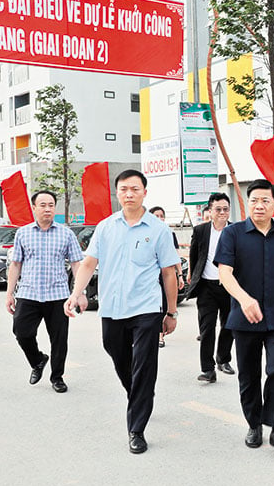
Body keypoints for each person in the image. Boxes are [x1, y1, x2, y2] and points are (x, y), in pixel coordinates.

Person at [64, 170, 180, 455]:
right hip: (113, 307)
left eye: (135, 189)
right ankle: (139, 394)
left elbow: (168, 273)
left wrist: (172, 312)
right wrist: (76, 293)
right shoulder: (105, 227)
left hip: (146, 308)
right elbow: (89, 263)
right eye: (124, 189)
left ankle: (136, 429)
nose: (129, 194)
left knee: (144, 364)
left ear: (144, 192)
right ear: (117, 193)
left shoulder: (159, 230)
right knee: (116, 352)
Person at [216, 179, 274, 457]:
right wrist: (244, 298)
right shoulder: (233, 234)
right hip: (245, 316)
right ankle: (254, 424)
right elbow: (224, 273)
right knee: (248, 375)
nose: (259, 205)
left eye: (265, 200)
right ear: (247, 204)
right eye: (254, 201)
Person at [5, 190, 84, 394]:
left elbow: (77, 263)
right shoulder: (23, 233)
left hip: (57, 295)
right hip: (28, 293)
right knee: (21, 332)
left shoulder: (66, 233)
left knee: (59, 339)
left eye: (51, 205)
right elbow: (15, 264)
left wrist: (79, 292)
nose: (47, 208)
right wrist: (9, 293)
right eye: (43, 205)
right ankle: (37, 360)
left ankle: (57, 377)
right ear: (34, 208)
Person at [187, 193, 235, 383]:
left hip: (230, 286)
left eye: (225, 209)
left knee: (229, 325)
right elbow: (194, 254)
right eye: (218, 209)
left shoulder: (235, 230)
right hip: (207, 286)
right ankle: (208, 369)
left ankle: (223, 358)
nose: (222, 212)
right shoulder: (201, 231)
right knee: (207, 328)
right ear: (210, 211)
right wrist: (192, 275)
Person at [149, 206, 186, 348]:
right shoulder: (146, 233)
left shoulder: (169, 234)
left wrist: (180, 275)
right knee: (154, 306)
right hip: (151, 276)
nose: (159, 219)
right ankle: (155, 333)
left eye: (161, 216)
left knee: (163, 305)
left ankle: (160, 335)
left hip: (166, 275)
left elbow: (175, 256)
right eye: (156, 216)